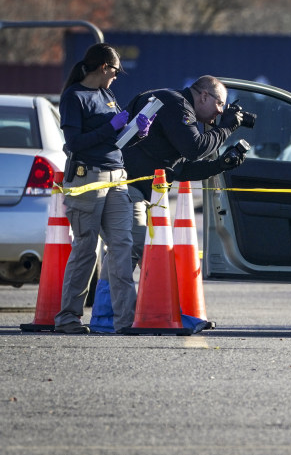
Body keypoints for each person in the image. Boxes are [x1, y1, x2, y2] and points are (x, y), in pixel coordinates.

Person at [92, 76, 245, 329]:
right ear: (204, 96)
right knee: (145, 248)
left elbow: (178, 169)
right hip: (125, 189)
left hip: (130, 189)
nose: (220, 113)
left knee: (123, 252)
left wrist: (220, 165)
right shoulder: (175, 105)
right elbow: (195, 148)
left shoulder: (173, 108)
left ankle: (104, 317)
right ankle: (155, 316)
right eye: (220, 105)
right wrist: (227, 128)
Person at [54, 43, 153, 334]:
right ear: (102, 68)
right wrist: (112, 127)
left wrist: (137, 132)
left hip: (117, 176)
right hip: (88, 178)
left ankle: (126, 321)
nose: (116, 77)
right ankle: (68, 318)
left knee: (121, 247)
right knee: (86, 249)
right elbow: (75, 144)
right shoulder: (74, 97)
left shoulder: (106, 94)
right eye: (114, 71)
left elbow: (117, 139)